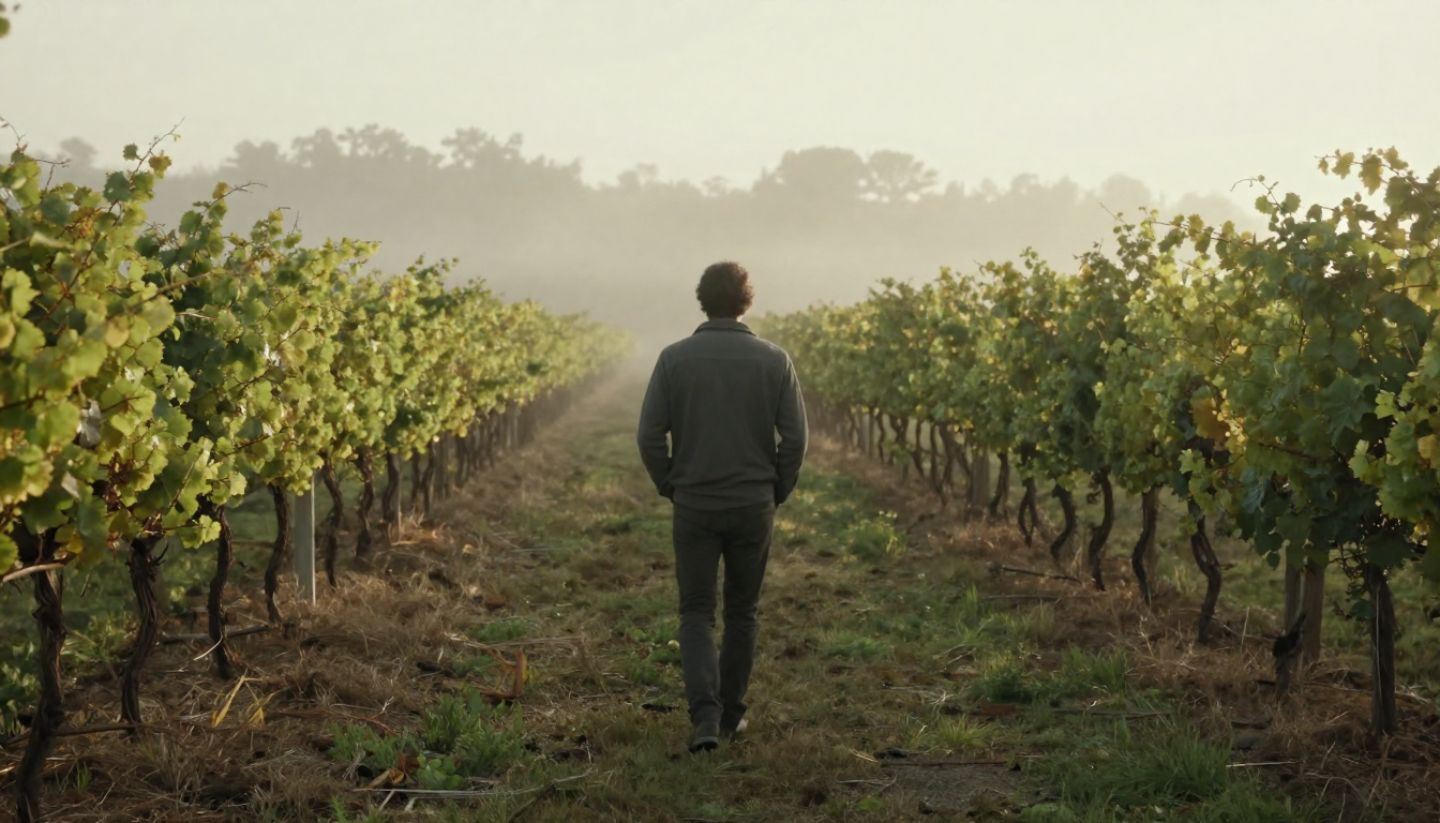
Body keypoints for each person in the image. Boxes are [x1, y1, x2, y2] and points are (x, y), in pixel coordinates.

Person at [636, 261, 808, 753]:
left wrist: (670, 482)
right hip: (753, 503)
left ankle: (705, 719)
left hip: (695, 502)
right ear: (746, 301)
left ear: (701, 300)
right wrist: (777, 487)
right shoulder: (775, 360)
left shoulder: (673, 359)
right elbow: (795, 437)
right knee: (742, 611)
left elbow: (649, 434)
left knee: (695, 612)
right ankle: (732, 715)